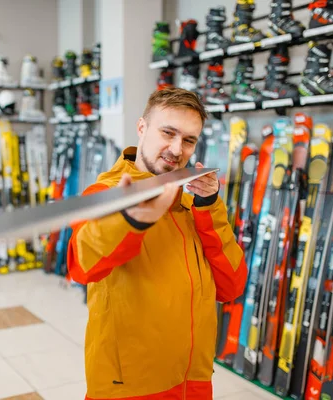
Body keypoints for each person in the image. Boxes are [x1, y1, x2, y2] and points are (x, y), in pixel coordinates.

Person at [67, 88, 248, 400]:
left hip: (193, 379)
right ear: (142, 128)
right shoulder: (106, 193)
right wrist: (131, 221)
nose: (177, 149)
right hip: (133, 388)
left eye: (189, 140)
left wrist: (210, 206)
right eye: (168, 132)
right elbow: (82, 265)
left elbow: (230, 286)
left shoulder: (189, 204)